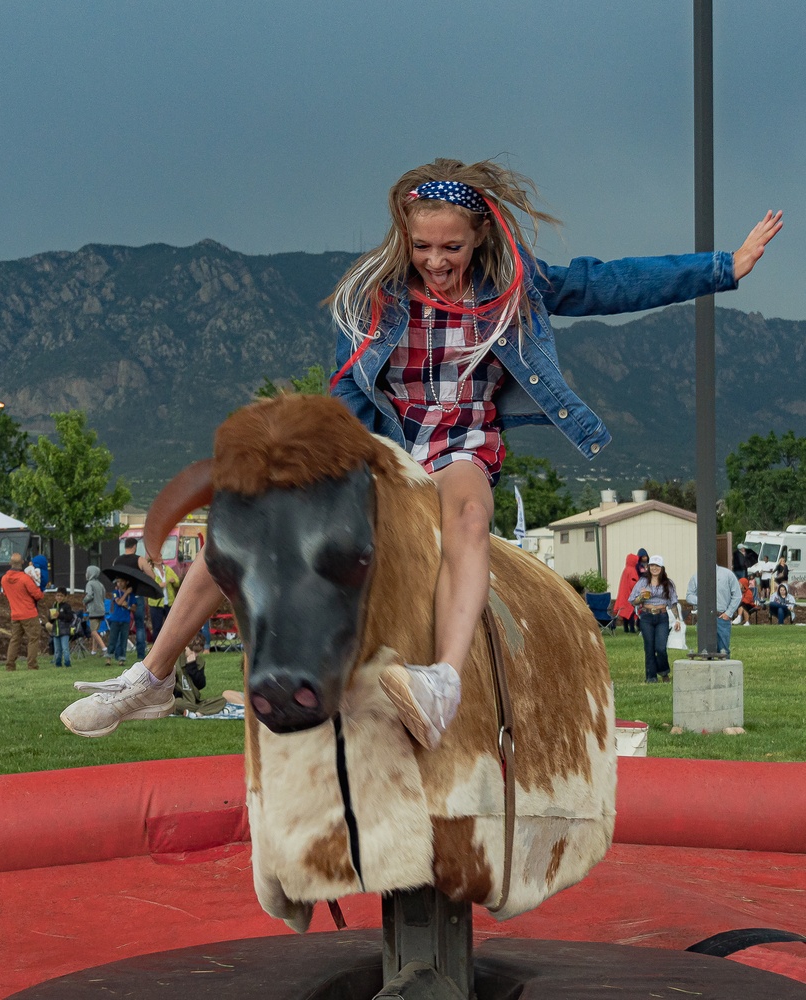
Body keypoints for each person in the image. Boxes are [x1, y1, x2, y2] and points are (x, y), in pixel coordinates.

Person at [61, 157, 781, 743]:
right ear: (404, 238)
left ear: (479, 240)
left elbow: (611, 283)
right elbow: (345, 393)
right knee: (258, 508)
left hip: (463, 444)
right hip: (386, 448)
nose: (437, 262)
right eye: (424, 247)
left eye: (453, 248)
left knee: (469, 513)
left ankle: (443, 679)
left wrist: (724, 267)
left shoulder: (515, 291)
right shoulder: (371, 300)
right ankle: (153, 675)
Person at [629, 555, 682, 682]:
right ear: (648, 567)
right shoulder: (642, 582)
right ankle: (651, 677)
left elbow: (673, 602)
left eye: (657, 566)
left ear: (662, 568)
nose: (654, 568)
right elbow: (632, 601)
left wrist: (678, 619)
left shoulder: (668, 583)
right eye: (652, 565)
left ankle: (664, 672)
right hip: (646, 616)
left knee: (660, 648)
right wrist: (641, 597)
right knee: (649, 648)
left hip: (662, 616)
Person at [685, 565, 742, 657]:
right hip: (704, 617)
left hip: (721, 617)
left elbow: (737, 595)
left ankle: (725, 671)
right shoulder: (696, 576)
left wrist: (728, 613)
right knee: (705, 651)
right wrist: (702, 600)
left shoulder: (727, 574)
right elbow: (689, 596)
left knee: (723, 651)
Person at [1, 552, 44, 670]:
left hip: (15, 614)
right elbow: (37, 595)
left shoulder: (4, 579)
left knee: (15, 639)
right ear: (22, 562)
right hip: (29, 613)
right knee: (33, 638)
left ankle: (10, 665)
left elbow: (5, 593)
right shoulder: (25, 578)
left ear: (10, 563)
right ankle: (32, 665)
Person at [114, 538, 151, 659]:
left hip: (122, 596)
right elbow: (152, 576)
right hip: (136, 595)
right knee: (140, 625)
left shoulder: (117, 561)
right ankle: (141, 655)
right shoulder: (139, 560)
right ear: (134, 546)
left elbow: (114, 578)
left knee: (121, 625)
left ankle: (119, 654)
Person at [148, 554, 180, 644]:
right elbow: (155, 586)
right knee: (157, 627)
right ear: (153, 560)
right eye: (158, 557)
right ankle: (156, 648)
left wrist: (174, 581)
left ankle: (172, 646)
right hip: (156, 603)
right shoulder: (151, 571)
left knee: (172, 627)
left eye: (161, 557)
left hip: (169, 602)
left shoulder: (167, 568)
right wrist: (166, 582)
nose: (160, 559)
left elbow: (177, 581)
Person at [105, 576, 135, 667]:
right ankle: (109, 657)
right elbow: (118, 602)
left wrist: (128, 606)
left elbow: (134, 608)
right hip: (115, 619)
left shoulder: (132, 596)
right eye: (118, 582)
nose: (119, 583)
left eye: (121, 581)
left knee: (123, 639)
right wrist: (126, 593)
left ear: (126, 582)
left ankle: (122, 659)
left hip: (125, 620)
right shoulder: (115, 592)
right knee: (112, 639)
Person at [83, 565, 108, 656]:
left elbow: (89, 595)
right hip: (101, 610)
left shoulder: (89, 584)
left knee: (93, 631)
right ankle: (94, 650)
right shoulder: (100, 584)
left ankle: (104, 648)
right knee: (96, 630)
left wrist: (84, 601)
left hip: (93, 610)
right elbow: (103, 597)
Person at [614, 554, 641, 634]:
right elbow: (633, 583)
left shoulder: (625, 570)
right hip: (630, 594)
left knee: (625, 612)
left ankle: (626, 628)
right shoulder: (632, 571)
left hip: (623, 594)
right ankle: (632, 629)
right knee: (631, 612)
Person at [48, 587, 75, 667]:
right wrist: (51, 617)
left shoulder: (67, 606)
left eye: (61, 596)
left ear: (65, 597)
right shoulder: (54, 605)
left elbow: (70, 617)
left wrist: (59, 615)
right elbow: (50, 620)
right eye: (58, 595)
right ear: (55, 596)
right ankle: (58, 663)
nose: (59, 597)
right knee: (57, 650)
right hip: (55, 631)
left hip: (64, 631)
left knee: (65, 648)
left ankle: (67, 663)